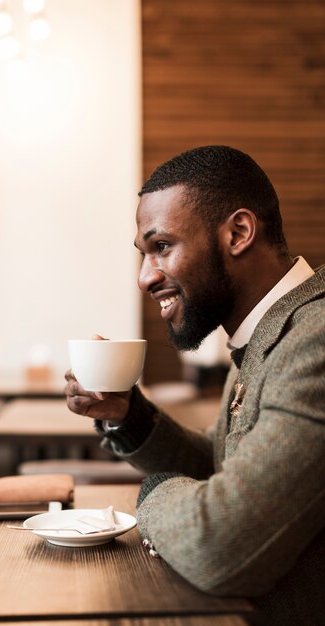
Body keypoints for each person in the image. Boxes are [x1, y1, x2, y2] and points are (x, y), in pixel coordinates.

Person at [64, 145, 325, 625]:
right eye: (144, 254)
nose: (145, 278)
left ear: (238, 233)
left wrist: (155, 491)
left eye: (161, 246)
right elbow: (222, 466)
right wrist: (128, 416)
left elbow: (223, 542)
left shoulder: (316, 339)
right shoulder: (270, 332)